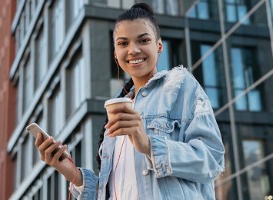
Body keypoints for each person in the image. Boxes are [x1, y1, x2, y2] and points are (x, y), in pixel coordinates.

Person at [35, 3, 225, 200]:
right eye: (123, 43)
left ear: (159, 46)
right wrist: (71, 172)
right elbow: (118, 189)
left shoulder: (179, 86)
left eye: (143, 40)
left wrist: (148, 144)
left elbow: (212, 160)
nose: (133, 50)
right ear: (116, 54)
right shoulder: (118, 109)